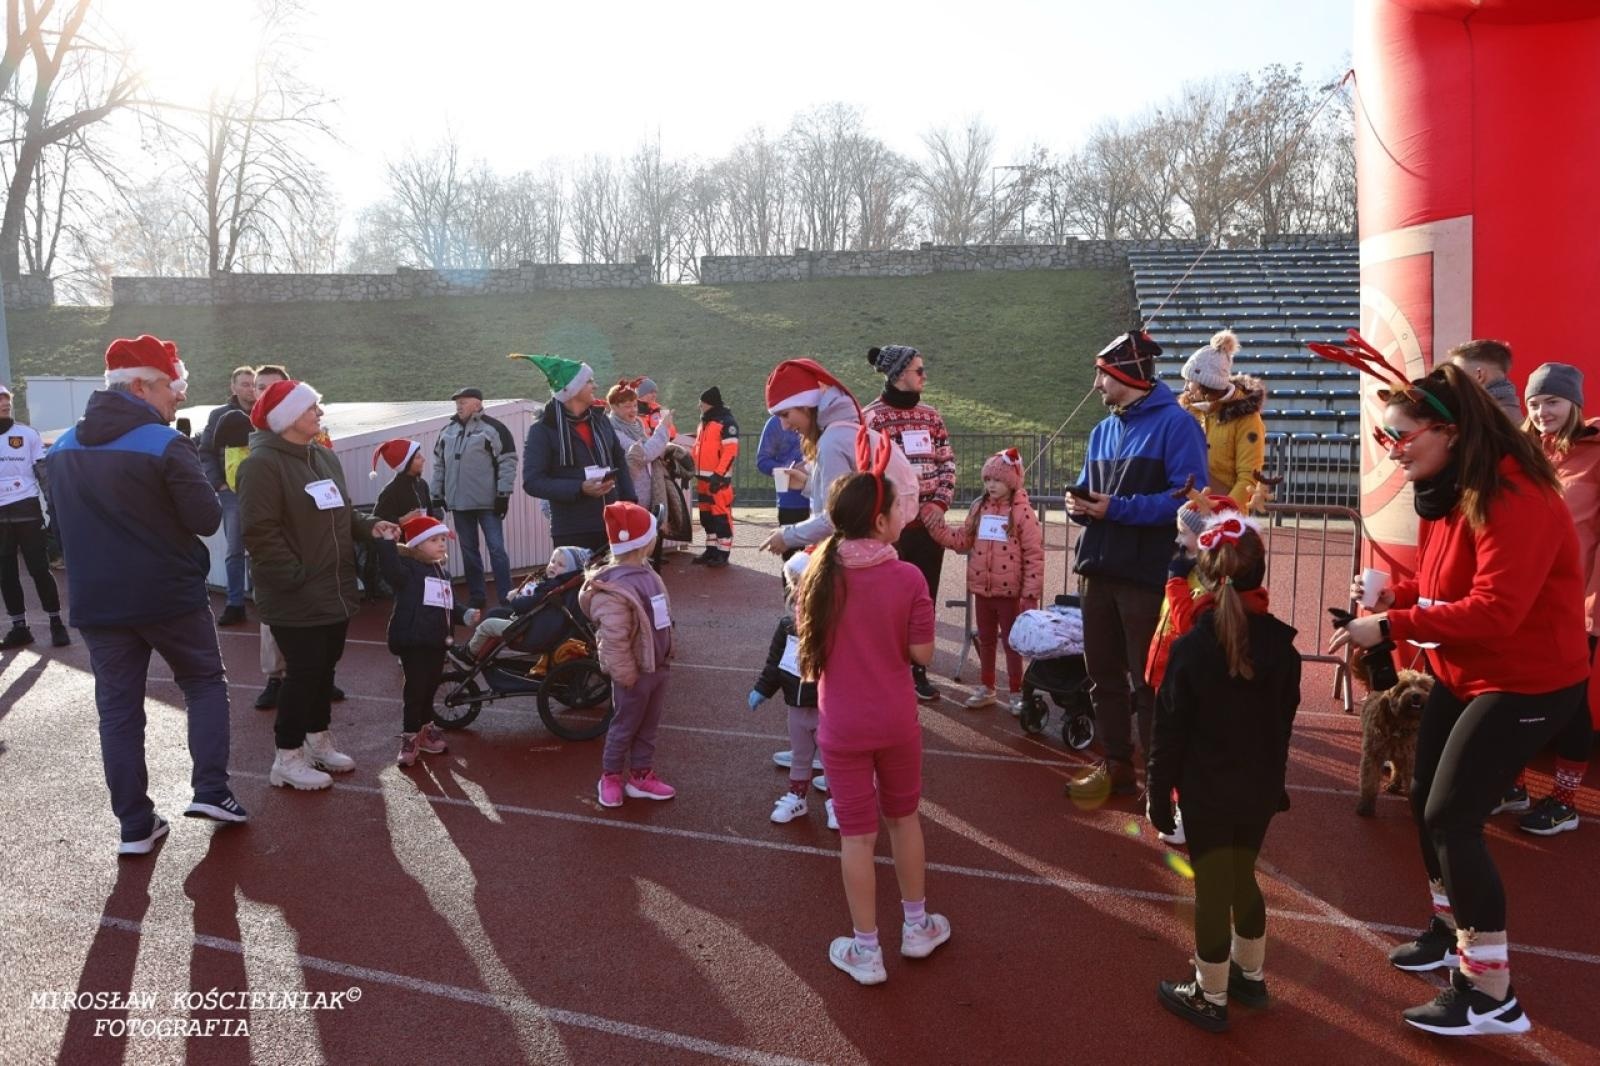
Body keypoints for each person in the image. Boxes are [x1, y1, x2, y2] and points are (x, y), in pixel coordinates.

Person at [1332, 363, 1588, 1037]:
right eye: (1386, 435)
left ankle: (1490, 990)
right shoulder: (1457, 488)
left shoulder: (1516, 495)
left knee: (1451, 816)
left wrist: (1392, 625)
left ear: (1450, 430)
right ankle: (1449, 932)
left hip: (1526, 680)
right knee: (1424, 799)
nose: (1392, 448)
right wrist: (1401, 597)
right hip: (1467, 673)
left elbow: (1497, 611)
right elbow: (1449, 585)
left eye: (1401, 434)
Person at [47, 335, 247, 855]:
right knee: (203, 682)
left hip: (96, 600)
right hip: (167, 594)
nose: (177, 396)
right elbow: (205, 519)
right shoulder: (162, 443)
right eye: (169, 386)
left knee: (117, 710)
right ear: (138, 386)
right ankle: (211, 790)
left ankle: (134, 825)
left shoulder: (64, 444)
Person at [1147, 519, 1300, 1034]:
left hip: (1207, 791)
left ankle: (1210, 994)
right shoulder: (1284, 649)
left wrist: (1157, 794)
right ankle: (1249, 975)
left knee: (1212, 890)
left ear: (1206, 579)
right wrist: (1272, 786)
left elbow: (1168, 730)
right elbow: (1282, 729)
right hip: (1257, 790)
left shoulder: (1191, 650)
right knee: (1242, 879)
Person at [795, 466, 947, 986]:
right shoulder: (908, 577)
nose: (906, 514)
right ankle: (917, 925)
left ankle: (866, 950)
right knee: (904, 820)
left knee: (856, 839)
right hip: (896, 720)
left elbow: (810, 653)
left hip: (840, 726)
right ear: (880, 521)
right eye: (900, 507)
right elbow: (921, 652)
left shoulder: (819, 572)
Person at [239, 378, 401, 791]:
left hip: (335, 588)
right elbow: (260, 533)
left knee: (322, 670)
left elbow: (342, 513)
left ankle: (318, 741)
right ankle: (287, 757)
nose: (320, 414)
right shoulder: (261, 465)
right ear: (288, 417)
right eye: (312, 408)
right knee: (303, 672)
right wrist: (295, 577)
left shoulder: (324, 458)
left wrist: (369, 525)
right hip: (297, 593)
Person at [1068, 330, 1209, 796]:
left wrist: (1116, 508)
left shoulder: (1178, 425)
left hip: (1147, 575)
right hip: (1097, 568)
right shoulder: (1101, 430)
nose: (1096, 385)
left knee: (1150, 681)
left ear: (1124, 375)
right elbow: (1092, 487)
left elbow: (1188, 501)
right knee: (1102, 677)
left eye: (1102, 376)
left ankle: (1159, 778)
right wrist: (1080, 504)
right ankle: (1116, 767)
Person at [1496, 361, 1600, 836]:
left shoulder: (1596, 454)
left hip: (1576, 607)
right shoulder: (1522, 452)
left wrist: (1591, 610)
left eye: (1552, 402)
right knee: (1509, 695)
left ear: (1574, 404)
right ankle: (1513, 787)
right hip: (1522, 602)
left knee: (1570, 705)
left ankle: (1564, 803)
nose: (1542, 411)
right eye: (1534, 403)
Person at [863, 345, 958, 702]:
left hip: (928, 529)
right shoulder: (871, 418)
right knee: (888, 602)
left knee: (923, 600)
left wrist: (939, 502)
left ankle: (918, 671)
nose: (924, 375)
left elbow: (947, 463)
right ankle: (888, 670)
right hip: (891, 532)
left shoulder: (931, 416)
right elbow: (866, 471)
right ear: (900, 373)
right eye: (920, 370)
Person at [924, 448, 1043, 712]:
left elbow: (1034, 555)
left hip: (1010, 592)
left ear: (1011, 482)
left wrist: (1030, 595)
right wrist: (936, 528)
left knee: (1012, 644)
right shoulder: (979, 508)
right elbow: (962, 539)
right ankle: (987, 687)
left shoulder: (1022, 513)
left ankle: (1016, 691)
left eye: (997, 480)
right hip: (983, 590)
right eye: (988, 479)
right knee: (986, 640)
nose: (991, 485)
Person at [580, 501, 675, 808]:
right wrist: (626, 675)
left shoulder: (647, 573)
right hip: (633, 675)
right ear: (644, 542)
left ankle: (640, 775)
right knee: (624, 726)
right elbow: (614, 639)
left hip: (657, 668)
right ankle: (610, 776)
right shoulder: (615, 587)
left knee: (648, 726)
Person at [519, 353, 637, 554]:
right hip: (572, 530)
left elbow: (619, 461)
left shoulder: (601, 421)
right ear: (572, 390)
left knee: (614, 584)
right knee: (577, 585)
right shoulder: (543, 429)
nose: (596, 386)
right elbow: (533, 481)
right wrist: (579, 488)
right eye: (589, 381)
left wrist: (630, 505)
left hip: (613, 522)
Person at [374, 514, 466, 767]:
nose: (441, 544)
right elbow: (390, 569)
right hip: (413, 641)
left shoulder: (442, 572)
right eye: (434, 539)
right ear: (417, 545)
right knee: (415, 689)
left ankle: (426, 730)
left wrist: (464, 614)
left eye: (442, 540)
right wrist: (386, 543)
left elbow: (449, 604)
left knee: (430, 686)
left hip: (436, 641)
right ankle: (410, 736)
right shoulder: (408, 570)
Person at [749, 551, 830, 826]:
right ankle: (797, 797)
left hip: (826, 709)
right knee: (800, 754)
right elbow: (774, 664)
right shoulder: (785, 627)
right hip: (795, 708)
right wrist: (761, 690)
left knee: (832, 757)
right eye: (794, 585)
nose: (797, 593)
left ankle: (837, 801)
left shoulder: (831, 629)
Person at [430, 386, 517, 609]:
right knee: (469, 552)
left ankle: (506, 597)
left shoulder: (494, 429)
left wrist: (503, 495)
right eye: (457, 402)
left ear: (477, 404)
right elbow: (439, 465)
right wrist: (436, 495)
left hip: (489, 503)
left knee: (497, 549)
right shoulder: (446, 431)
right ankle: (477, 597)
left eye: (463, 401)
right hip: (459, 504)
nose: (458, 405)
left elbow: (508, 461)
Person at [0, 382, 69, 648]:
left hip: (26, 512)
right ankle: (20, 628)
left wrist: (54, 507)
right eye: (0, 401)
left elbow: (43, 473)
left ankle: (56, 623)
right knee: (6, 575)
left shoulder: (27, 434)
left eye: (7, 400)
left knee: (40, 570)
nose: (5, 404)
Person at [1179, 330, 1267, 509]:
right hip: (1188, 511)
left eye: (1190, 381)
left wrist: (1220, 510)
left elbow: (1248, 477)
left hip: (1224, 518)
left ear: (1206, 383)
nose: (1185, 387)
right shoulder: (1187, 412)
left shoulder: (1247, 419)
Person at [197, 366, 258, 625]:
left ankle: (264, 600)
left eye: (253, 384)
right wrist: (219, 484)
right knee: (235, 549)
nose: (250, 388)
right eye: (244, 384)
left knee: (266, 546)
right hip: (232, 493)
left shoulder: (265, 414)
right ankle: (235, 604)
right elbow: (206, 451)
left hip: (264, 492)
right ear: (233, 388)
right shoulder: (219, 415)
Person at [462, 545, 591, 659]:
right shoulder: (557, 584)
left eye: (561, 565)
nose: (553, 566)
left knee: (487, 625)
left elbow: (521, 606)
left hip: (529, 633)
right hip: (530, 624)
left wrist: (516, 598)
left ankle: (469, 655)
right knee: (494, 613)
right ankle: (482, 654)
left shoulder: (552, 588)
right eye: (552, 561)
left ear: (571, 571)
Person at [606, 381, 675, 515]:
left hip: (646, 495)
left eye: (635, 405)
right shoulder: (613, 432)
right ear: (614, 407)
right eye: (627, 407)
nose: (634, 410)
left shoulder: (637, 426)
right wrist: (663, 428)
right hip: (630, 498)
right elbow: (644, 454)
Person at [690, 386, 738, 567]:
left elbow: (730, 452)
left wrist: (718, 475)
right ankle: (711, 550)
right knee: (707, 517)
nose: (699, 407)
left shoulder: (726, 423)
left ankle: (722, 553)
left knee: (720, 517)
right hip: (703, 478)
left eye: (701, 403)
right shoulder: (705, 422)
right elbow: (699, 448)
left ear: (709, 404)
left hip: (717, 480)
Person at [755, 412, 809, 563]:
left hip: (821, 501)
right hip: (791, 501)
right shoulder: (775, 423)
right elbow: (762, 461)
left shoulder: (819, 417)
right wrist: (786, 470)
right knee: (793, 562)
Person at [1448, 338, 1522, 423]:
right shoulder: (1509, 409)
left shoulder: (1482, 417)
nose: (1454, 380)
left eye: (1458, 374)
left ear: (1479, 375)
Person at [371, 438, 436, 524]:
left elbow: (430, 515)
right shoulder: (390, 491)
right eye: (418, 457)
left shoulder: (422, 484)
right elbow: (377, 521)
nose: (423, 459)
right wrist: (403, 519)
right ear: (406, 464)